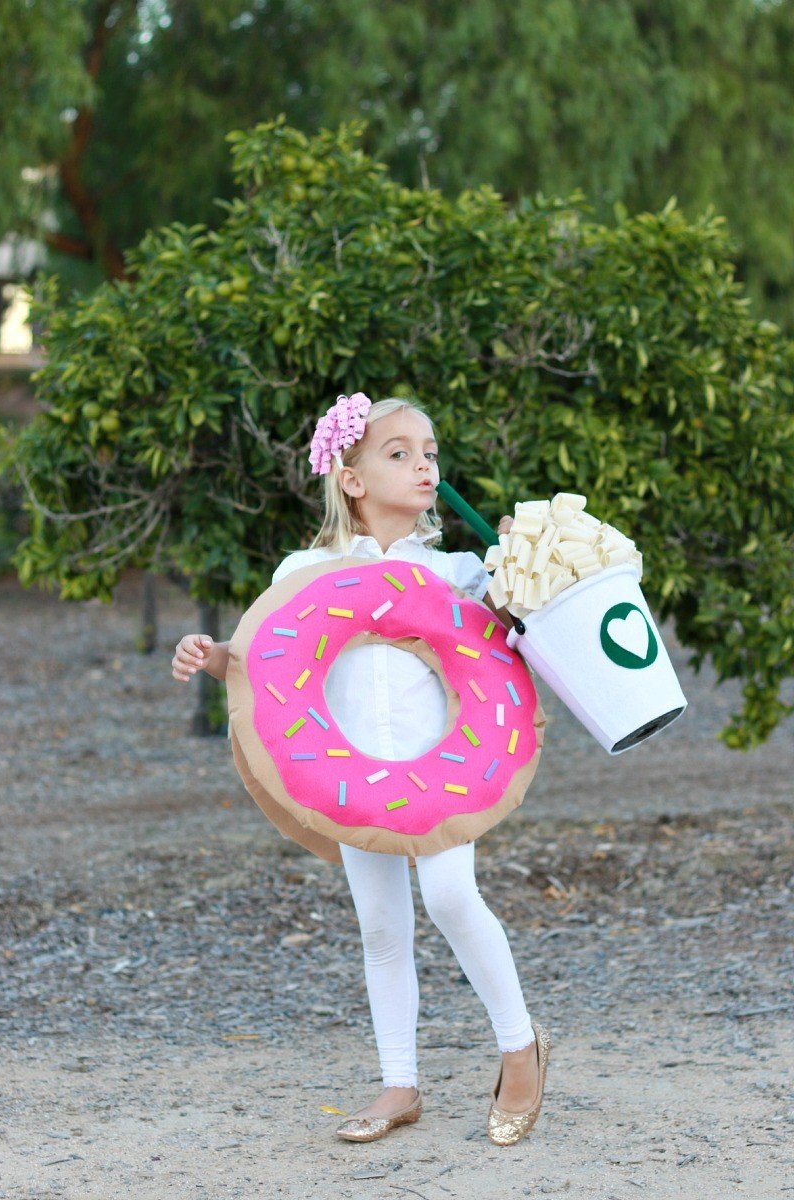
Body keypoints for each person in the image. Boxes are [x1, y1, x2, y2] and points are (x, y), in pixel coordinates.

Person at [172, 392, 550, 1146]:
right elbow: (267, 673)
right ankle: (399, 1084)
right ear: (350, 477)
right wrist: (212, 658)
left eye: (431, 452)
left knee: (449, 894)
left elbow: (519, 643)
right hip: (346, 776)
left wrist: (520, 563)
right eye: (400, 452)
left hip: (443, 772)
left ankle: (521, 1050)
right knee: (381, 926)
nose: (424, 466)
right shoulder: (304, 571)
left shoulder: (459, 571)